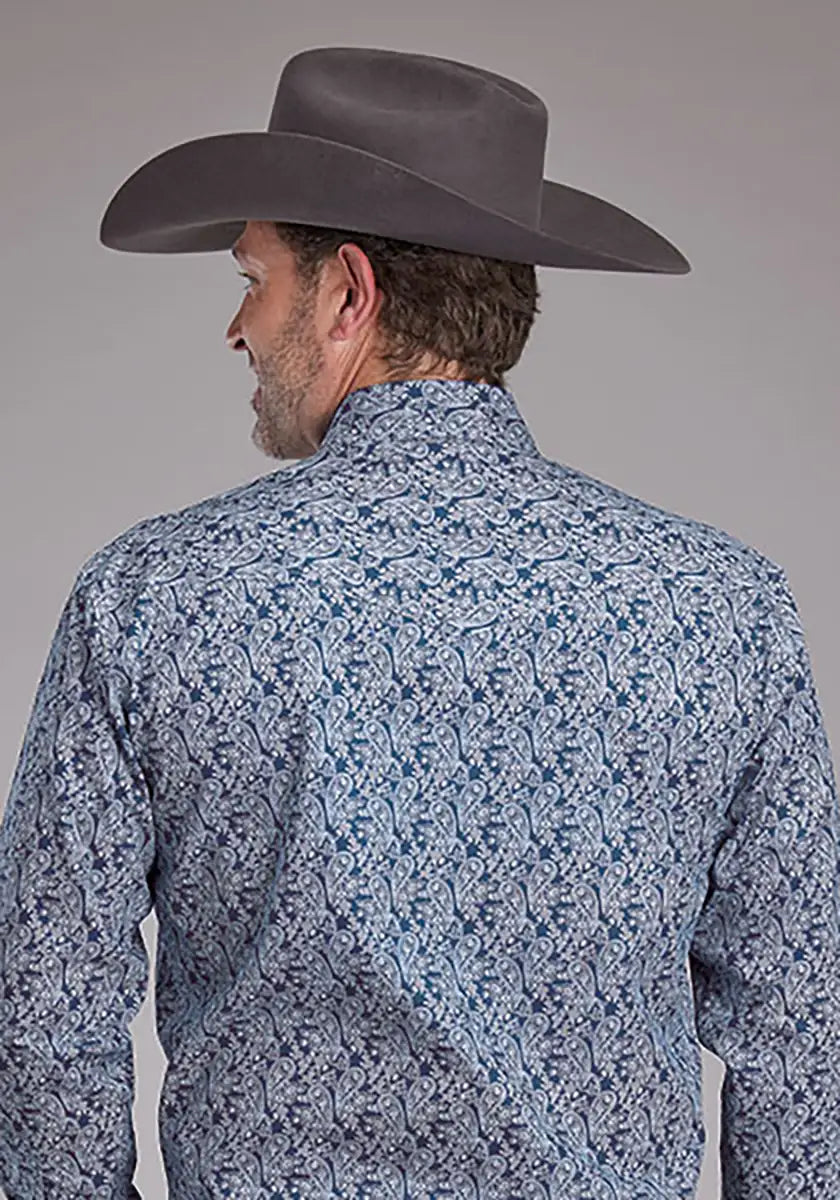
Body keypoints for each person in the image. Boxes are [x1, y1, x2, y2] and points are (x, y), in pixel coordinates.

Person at [1, 44, 837, 1200]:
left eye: (251, 278)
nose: (238, 327)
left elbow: (45, 1015)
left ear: (349, 295)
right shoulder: (722, 610)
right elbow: (800, 1036)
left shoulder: (154, 597)